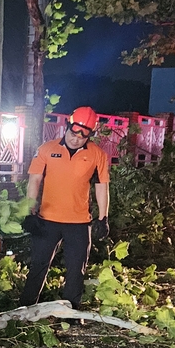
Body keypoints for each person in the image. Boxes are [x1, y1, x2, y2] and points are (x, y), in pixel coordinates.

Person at [19, 106, 110, 308]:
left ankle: (71, 311)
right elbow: (34, 180)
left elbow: (101, 187)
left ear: (90, 135)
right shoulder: (46, 149)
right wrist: (30, 212)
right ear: (67, 126)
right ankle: (24, 308)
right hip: (46, 220)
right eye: (74, 132)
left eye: (83, 135)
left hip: (79, 223)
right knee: (38, 266)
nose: (76, 138)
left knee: (76, 269)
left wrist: (103, 218)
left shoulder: (97, 155)